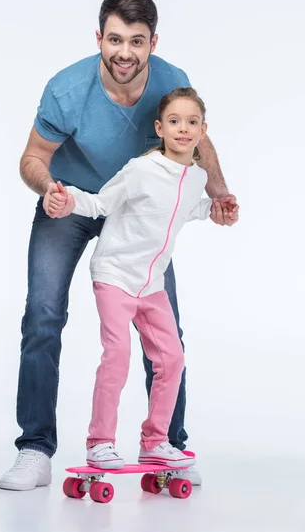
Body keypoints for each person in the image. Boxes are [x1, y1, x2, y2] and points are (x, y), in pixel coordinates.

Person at [0, 0, 239, 491]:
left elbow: (201, 140)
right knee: (43, 314)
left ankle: (167, 443)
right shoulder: (67, 89)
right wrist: (51, 191)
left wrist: (218, 192)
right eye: (114, 40)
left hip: (138, 214)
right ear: (99, 39)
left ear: (153, 42)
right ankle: (35, 449)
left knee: (165, 333)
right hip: (73, 200)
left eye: (135, 41)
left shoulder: (173, 82)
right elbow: (32, 157)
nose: (123, 52)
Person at [46, 87, 214, 470]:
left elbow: (185, 209)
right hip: (115, 275)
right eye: (174, 121)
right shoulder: (141, 170)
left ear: (203, 130)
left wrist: (214, 209)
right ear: (160, 127)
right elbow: (102, 203)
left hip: (151, 284)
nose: (183, 129)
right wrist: (70, 199)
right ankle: (99, 442)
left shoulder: (196, 177)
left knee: (172, 359)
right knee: (118, 355)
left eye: (191, 122)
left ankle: (156, 441)